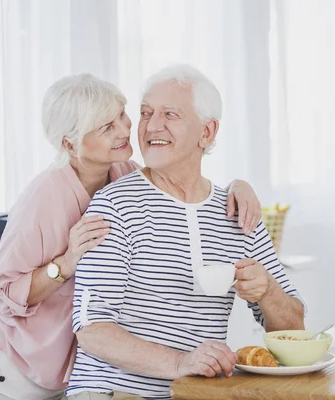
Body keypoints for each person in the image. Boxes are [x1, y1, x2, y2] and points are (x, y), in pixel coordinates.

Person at [0, 74, 262, 400]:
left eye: (122, 115)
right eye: (106, 127)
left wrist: (237, 186)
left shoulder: (124, 172)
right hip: (25, 364)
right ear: (70, 144)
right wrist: (65, 264)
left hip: (76, 361)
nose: (125, 130)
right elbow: (4, 289)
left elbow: (184, 179)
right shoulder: (43, 198)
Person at [66, 64, 305, 400]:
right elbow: (92, 330)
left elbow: (294, 329)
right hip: (111, 392)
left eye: (170, 114)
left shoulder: (239, 211)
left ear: (207, 133)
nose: (151, 126)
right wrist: (181, 362)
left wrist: (267, 291)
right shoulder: (114, 206)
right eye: (146, 113)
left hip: (195, 394)